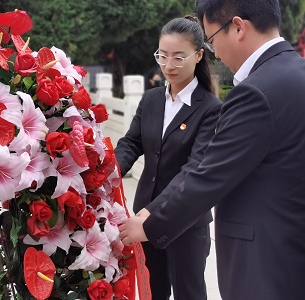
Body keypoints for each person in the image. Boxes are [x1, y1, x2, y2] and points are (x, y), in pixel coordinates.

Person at [119, 1, 305, 299]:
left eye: (211, 39)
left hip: (269, 265)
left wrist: (149, 224)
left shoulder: (256, 92)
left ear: (237, 27)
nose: (215, 52)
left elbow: (207, 175)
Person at [114, 15, 221, 300]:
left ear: (198, 55)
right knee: (152, 292)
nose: (168, 65)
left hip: (185, 221)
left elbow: (193, 169)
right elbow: (131, 143)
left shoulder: (210, 109)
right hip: (144, 218)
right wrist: (107, 171)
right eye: (163, 55)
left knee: (190, 293)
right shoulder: (151, 100)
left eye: (178, 57)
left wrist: (152, 214)